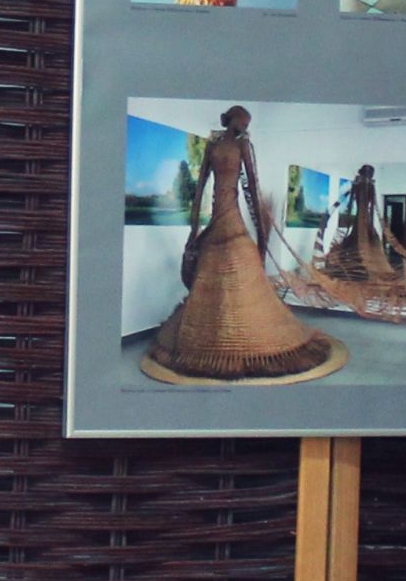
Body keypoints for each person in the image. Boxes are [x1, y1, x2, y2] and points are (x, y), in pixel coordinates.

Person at [140, 106, 345, 384]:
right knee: (208, 277)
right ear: (232, 120)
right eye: (243, 121)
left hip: (233, 218)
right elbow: (200, 189)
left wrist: (261, 233)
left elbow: (252, 187)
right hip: (218, 219)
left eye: (247, 123)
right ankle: (208, 341)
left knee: (242, 271)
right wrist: (193, 230)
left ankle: (250, 339)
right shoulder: (213, 146)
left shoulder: (244, 146)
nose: (245, 127)